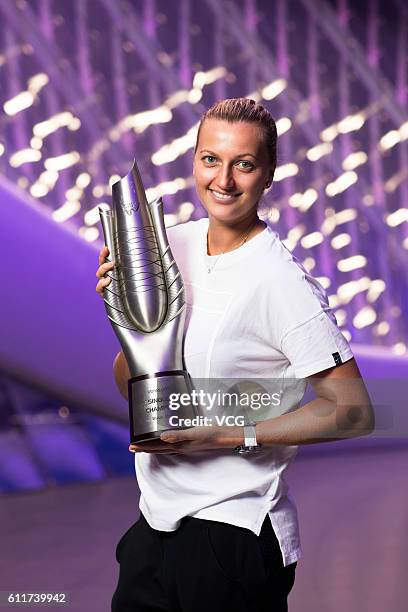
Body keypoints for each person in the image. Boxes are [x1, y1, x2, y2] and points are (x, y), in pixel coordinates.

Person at [95, 98, 374, 612]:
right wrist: (130, 324)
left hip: (234, 536)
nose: (223, 180)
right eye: (210, 159)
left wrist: (229, 435)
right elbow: (136, 387)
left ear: (267, 175)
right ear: (194, 161)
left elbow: (353, 410)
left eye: (243, 164)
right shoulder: (167, 247)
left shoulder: (280, 281)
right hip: (154, 527)